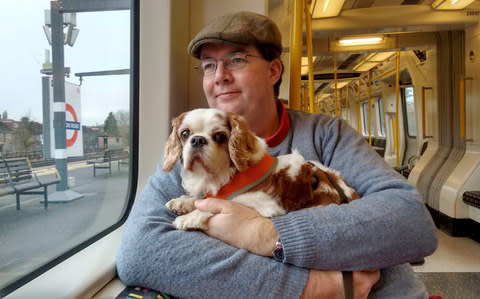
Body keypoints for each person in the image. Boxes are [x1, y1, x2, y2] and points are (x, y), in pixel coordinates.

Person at [116, 11, 438, 298]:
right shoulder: (189, 157)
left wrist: (263, 233)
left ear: (273, 72)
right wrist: (312, 287)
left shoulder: (327, 134)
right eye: (209, 65)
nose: (219, 76)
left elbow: (411, 222)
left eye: (236, 60)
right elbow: (140, 251)